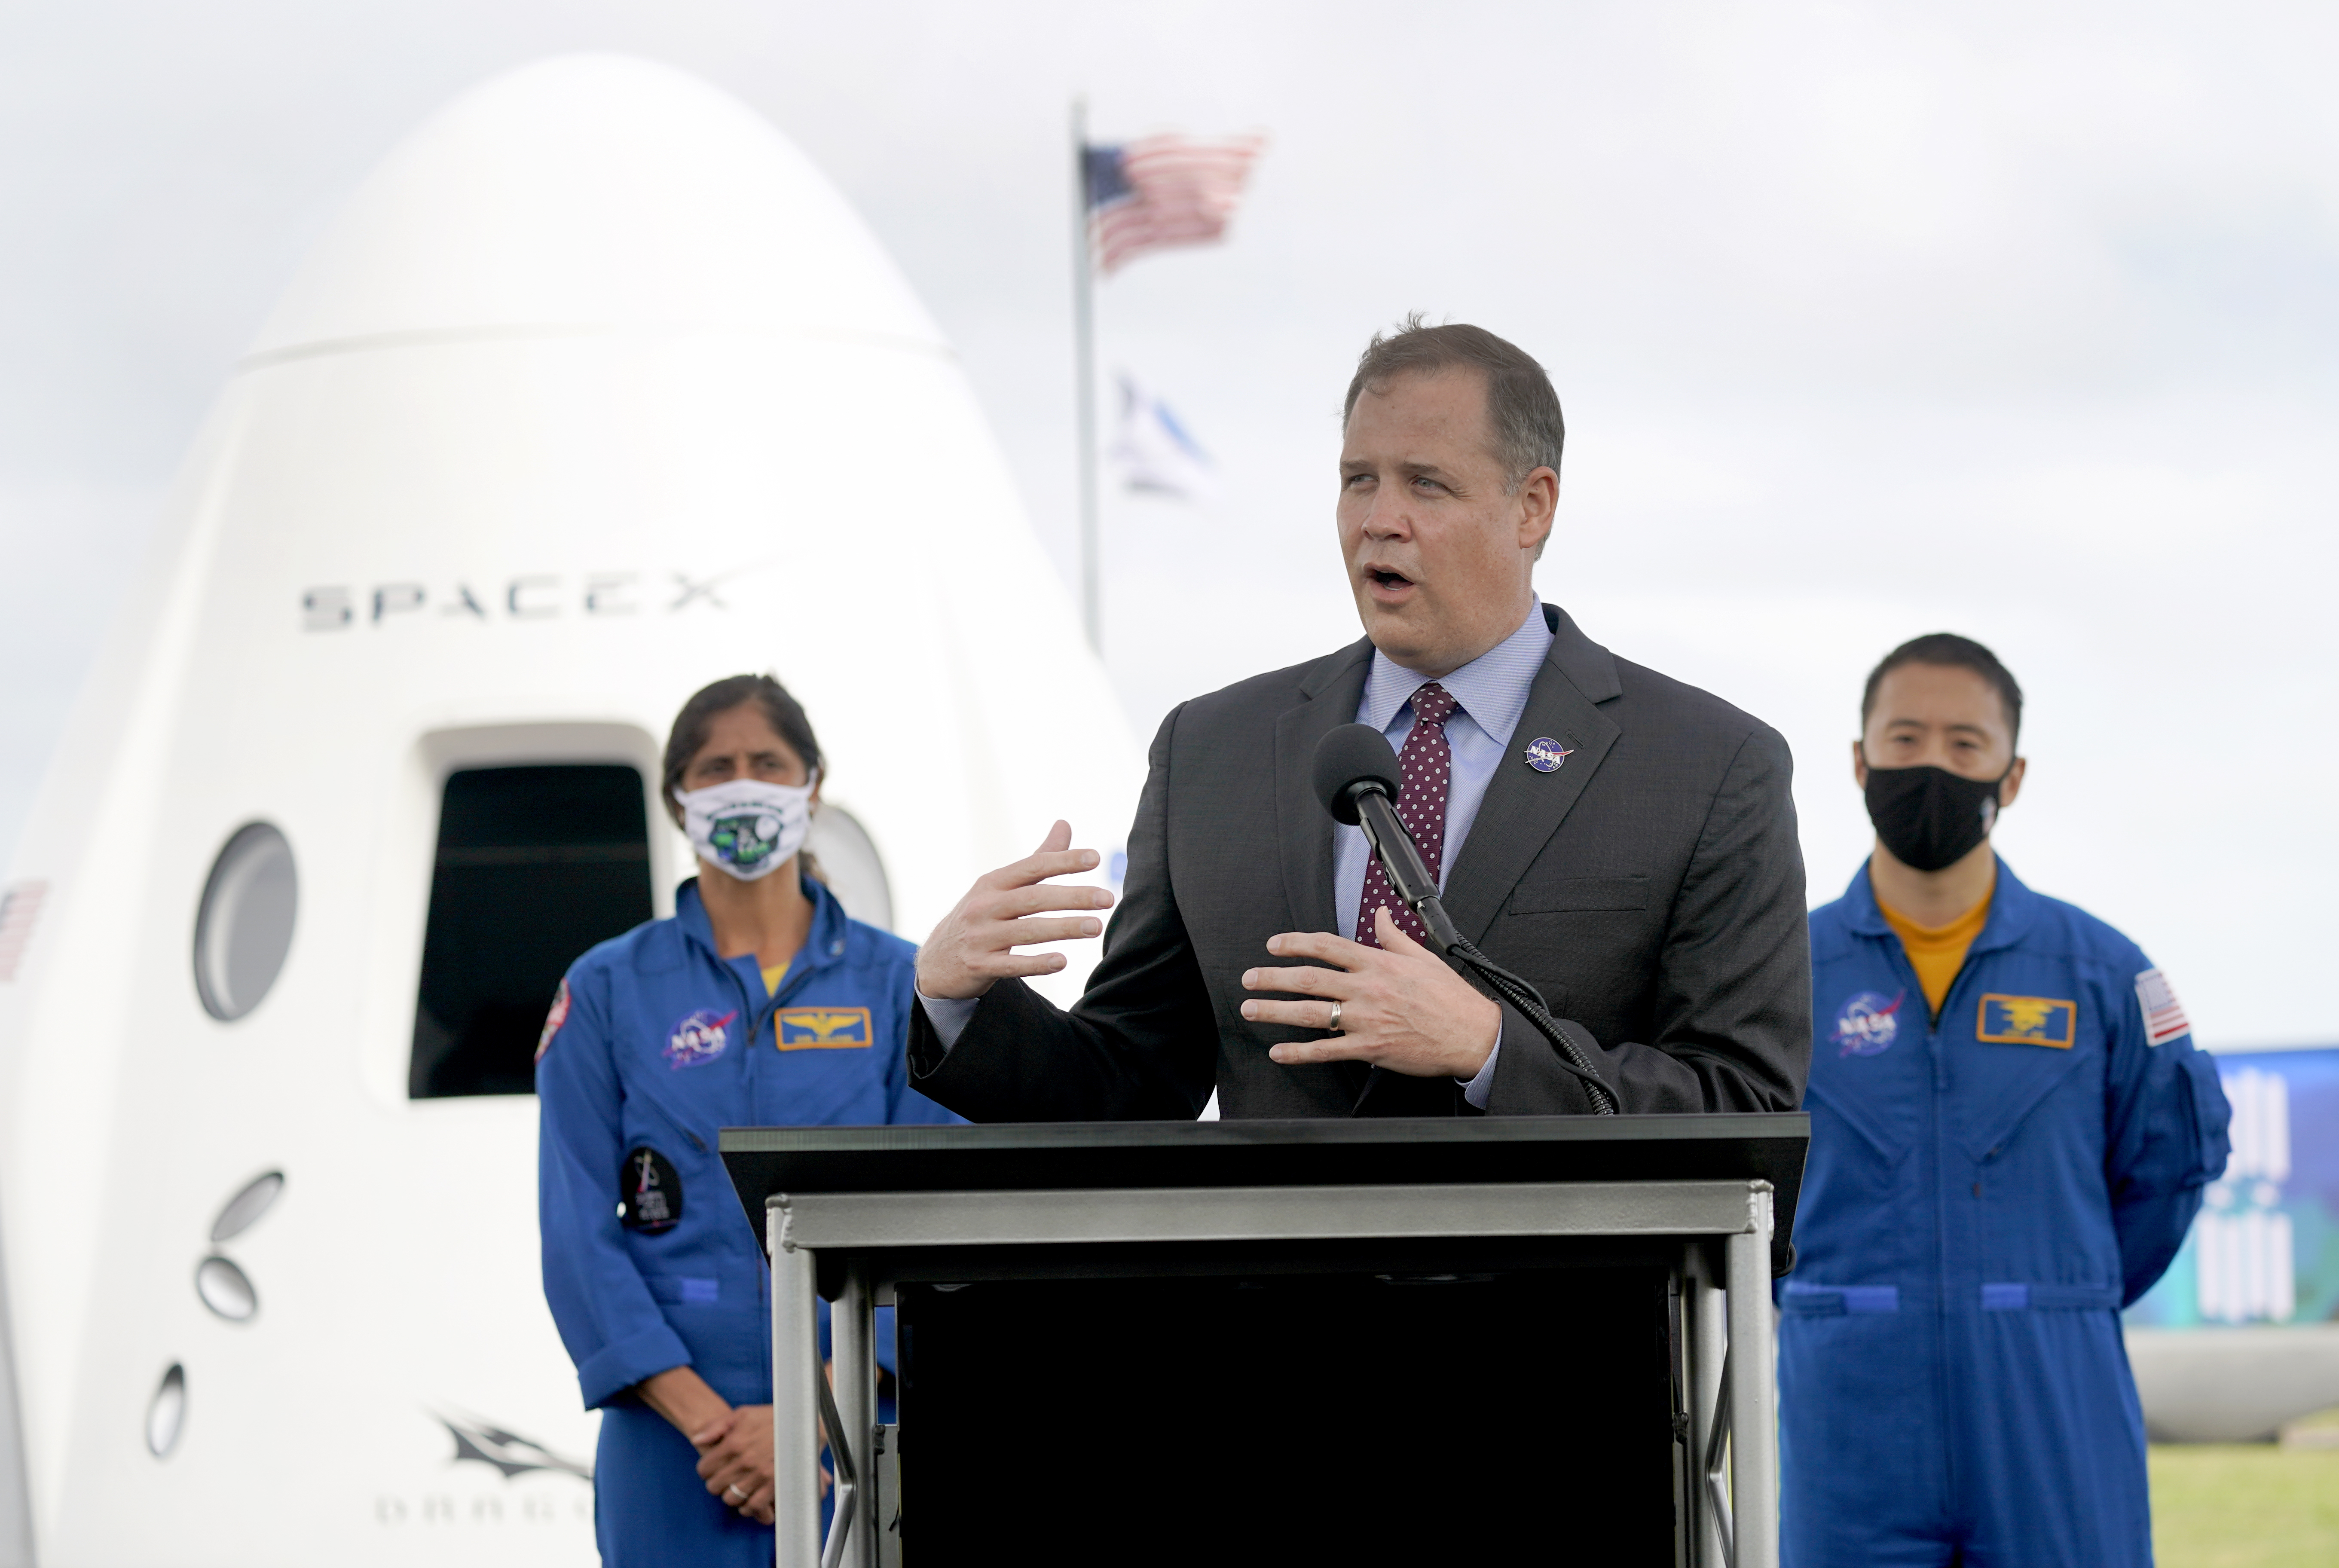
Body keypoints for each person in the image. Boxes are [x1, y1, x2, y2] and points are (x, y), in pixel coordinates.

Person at [912, 318, 1810, 1119]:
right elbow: (1133, 1083)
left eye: (1426, 485)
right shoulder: (1211, 752)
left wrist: (1491, 1049)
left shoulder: (1706, 766)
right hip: (1285, 1303)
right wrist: (958, 1000)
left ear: (1531, 507)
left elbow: (1743, 1105)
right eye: (1358, 481)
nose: (1379, 520)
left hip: (1556, 1302)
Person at [1780, 634, 2232, 1568]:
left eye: (1964, 744)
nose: (1932, 766)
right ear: (1859, 761)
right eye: (1904, 740)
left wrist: (2055, 1298)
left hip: (2051, 1406)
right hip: (1849, 1415)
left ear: (2012, 775)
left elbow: (2166, 1174)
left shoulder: (2101, 972)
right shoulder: (1783, 974)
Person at [535, 674, 960, 1566]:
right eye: (716, 765)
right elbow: (576, 1232)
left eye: (767, 762)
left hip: (861, 1423)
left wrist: (812, 1421)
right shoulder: (605, 989)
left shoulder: (902, 983)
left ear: (811, 784)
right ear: (677, 798)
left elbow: (936, 1221)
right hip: (676, 1441)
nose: (743, 783)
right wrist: (713, 1427)